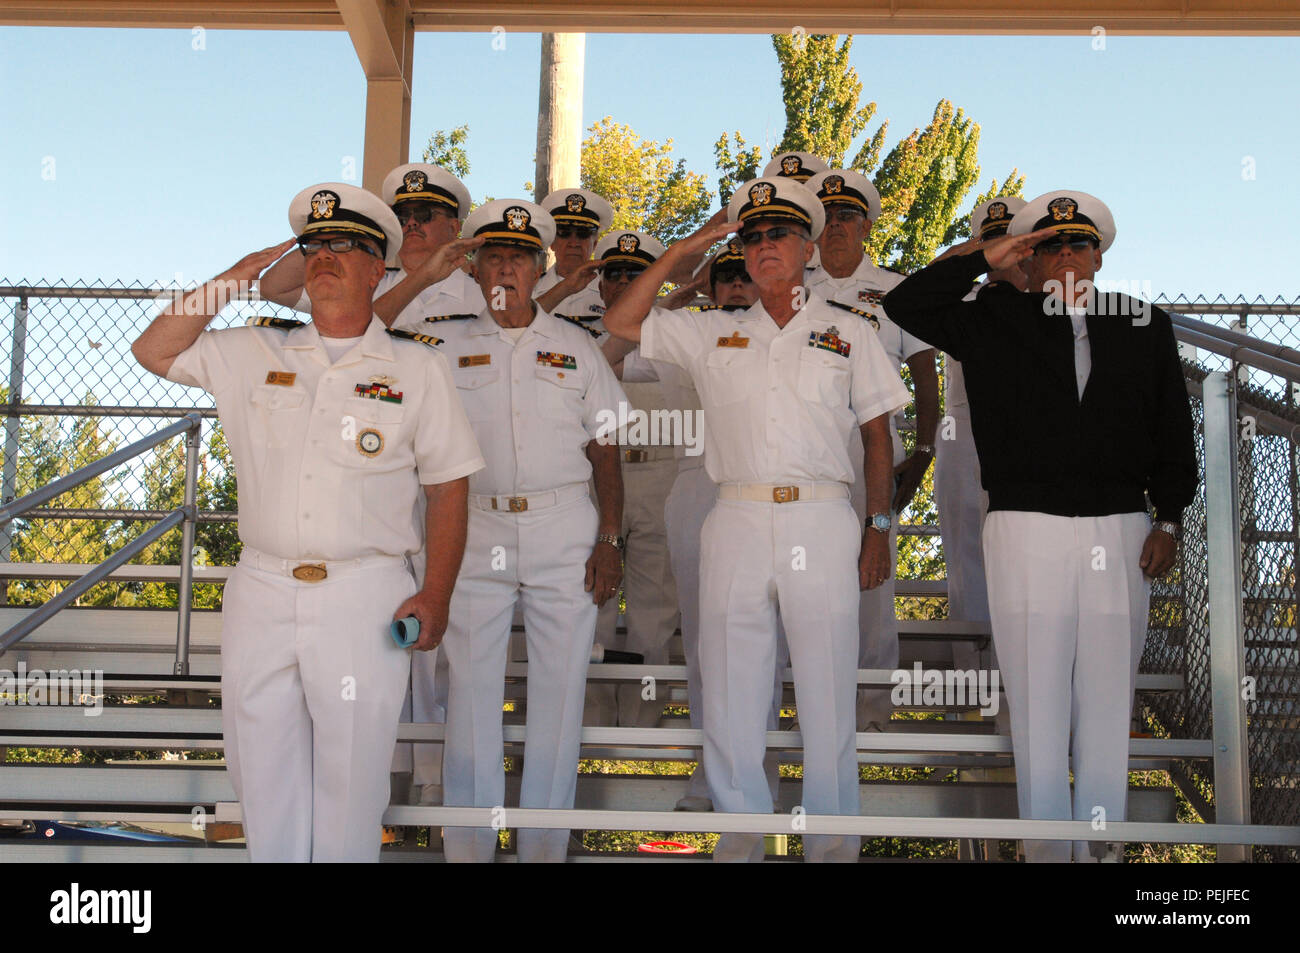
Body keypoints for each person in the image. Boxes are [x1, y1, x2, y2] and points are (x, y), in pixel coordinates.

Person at [130, 183, 484, 861]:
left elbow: (448, 487)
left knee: (351, 785)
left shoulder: (417, 367)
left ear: (378, 267)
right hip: (261, 589)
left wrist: (436, 593)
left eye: (347, 246)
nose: (327, 257)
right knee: (262, 778)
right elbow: (154, 350)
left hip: (366, 593)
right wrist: (236, 279)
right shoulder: (255, 350)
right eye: (316, 245)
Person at [883, 190, 1197, 862]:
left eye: (1077, 244)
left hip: (1119, 525)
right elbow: (905, 304)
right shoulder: (995, 317)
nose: (1064, 257)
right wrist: (985, 255)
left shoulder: (1144, 324)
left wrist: (1169, 517)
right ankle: (1051, 849)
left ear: (1099, 257)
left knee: (1109, 695)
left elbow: (1174, 430)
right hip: (1025, 524)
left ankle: (1103, 848)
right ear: (1029, 258)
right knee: (1036, 697)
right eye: (1047, 246)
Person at [604, 178, 910, 863]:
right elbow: (622, 322)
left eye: (777, 235)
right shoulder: (711, 330)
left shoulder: (850, 331)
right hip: (735, 514)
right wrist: (689, 246)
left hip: (824, 516)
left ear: (807, 247)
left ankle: (833, 848)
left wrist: (879, 525)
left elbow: (878, 438)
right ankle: (739, 842)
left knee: (828, 689)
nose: (763, 247)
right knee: (734, 690)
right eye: (752, 237)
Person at [436, 199, 627, 863]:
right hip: (477, 522)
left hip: (564, 525)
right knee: (471, 693)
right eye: (493, 254)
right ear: (476, 265)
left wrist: (610, 538)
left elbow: (606, 448)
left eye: (519, 256)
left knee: (558, 691)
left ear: (542, 267)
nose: (505, 266)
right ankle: (469, 849)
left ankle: (544, 848)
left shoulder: (576, 345)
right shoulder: (445, 348)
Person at [805, 168, 940, 730]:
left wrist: (927, 450)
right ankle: (810, 706)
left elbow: (925, 373)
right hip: (804, 443)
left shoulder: (897, 289)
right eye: (827, 217)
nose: (836, 227)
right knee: (805, 574)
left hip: (872, 444)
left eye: (847, 217)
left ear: (866, 226)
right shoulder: (793, 285)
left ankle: (874, 708)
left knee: (871, 572)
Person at [577, 229, 682, 730]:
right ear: (599, 287)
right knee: (592, 600)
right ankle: (591, 718)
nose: (621, 281)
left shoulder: (680, 333)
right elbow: (600, 366)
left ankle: (643, 720)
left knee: (655, 609)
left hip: (663, 475)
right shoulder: (577, 340)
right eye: (613, 274)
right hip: (598, 480)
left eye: (635, 274)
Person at [258, 162, 485, 326]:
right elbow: (273, 288)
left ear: (454, 228)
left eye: (424, 214)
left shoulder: (486, 295)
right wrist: (331, 230)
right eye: (402, 217)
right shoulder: (363, 284)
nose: (412, 223)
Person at [532, 187, 615, 322]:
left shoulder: (611, 292)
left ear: (594, 244)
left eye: (583, 234)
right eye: (564, 233)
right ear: (552, 242)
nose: (574, 243)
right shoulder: (530, 289)